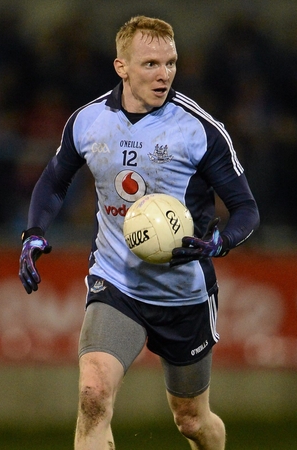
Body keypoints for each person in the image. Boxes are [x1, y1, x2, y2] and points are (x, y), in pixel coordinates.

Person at [18, 15, 260, 450]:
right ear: (121, 67)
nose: (164, 74)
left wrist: (221, 242)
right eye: (150, 64)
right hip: (117, 282)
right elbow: (54, 181)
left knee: (191, 419)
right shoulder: (89, 122)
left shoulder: (199, 130)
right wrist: (33, 232)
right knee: (93, 396)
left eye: (170, 63)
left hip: (183, 294)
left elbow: (246, 208)